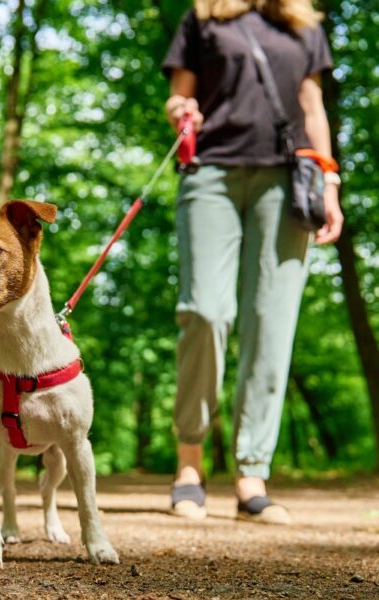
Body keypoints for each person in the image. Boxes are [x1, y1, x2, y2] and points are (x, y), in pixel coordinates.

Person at [162, 0, 343, 523]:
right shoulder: (205, 16)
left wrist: (329, 181)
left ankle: (251, 475)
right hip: (210, 174)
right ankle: (190, 464)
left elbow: (312, 108)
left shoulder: (303, 24)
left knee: (271, 322)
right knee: (205, 311)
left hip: (287, 180)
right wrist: (181, 111)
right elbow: (179, 94)